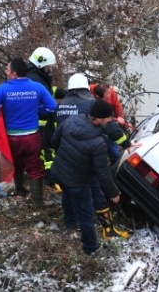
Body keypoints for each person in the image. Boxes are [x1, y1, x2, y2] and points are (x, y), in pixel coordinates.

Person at [55, 73, 138, 238]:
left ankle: (70, 224)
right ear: (86, 88)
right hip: (85, 155)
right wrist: (127, 144)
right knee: (97, 191)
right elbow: (111, 128)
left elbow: (53, 137)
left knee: (67, 191)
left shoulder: (62, 105)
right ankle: (108, 229)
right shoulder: (90, 105)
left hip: (65, 157)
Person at [50, 99, 124, 255]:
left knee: (68, 195)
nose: (110, 120)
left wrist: (64, 158)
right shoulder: (98, 143)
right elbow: (102, 173)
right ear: (98, 119)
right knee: (86, 215)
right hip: (78, 181)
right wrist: (113, 192)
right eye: (108, 117)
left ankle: (70, 223)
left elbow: (54, 140)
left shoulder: (72, 120)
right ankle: (91, 248)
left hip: (59, 172)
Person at [0, 58, 57, 208]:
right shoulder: (37, 87)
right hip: (32, 136)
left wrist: (2, 116)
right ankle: (38, 202)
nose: (5, 71)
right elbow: (52, 106)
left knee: (16, 164)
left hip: (11, 137)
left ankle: (21, 191)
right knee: (35, 167)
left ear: (14, 74)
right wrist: (38, 111)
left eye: (7, 69)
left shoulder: (3, 89)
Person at [26, 47, 59, 187]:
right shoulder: (35, 79)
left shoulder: (35, 76)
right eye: (47, 66)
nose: (49, 69)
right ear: (41, 64)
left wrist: (62, 92)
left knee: (45, 149)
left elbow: (48, 90)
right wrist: (48, 110)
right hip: (41, 121)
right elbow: (43, 98)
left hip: (40, 119)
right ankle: (50, 180)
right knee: (46, 150)